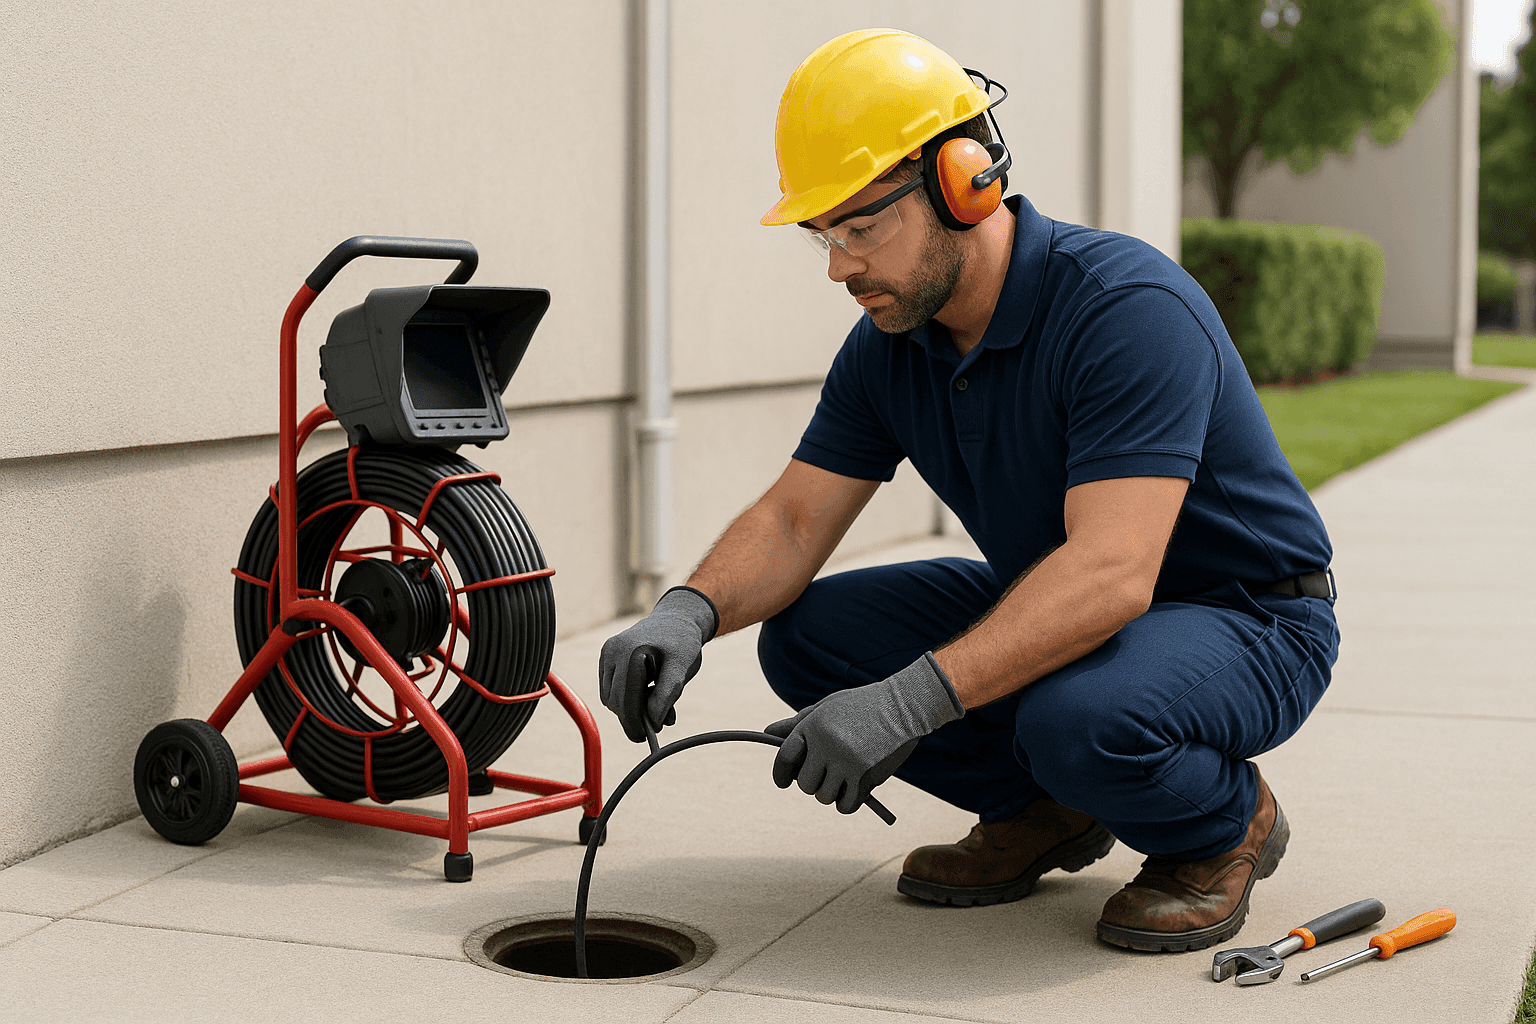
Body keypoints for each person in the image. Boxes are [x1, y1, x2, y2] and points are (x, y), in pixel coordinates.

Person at [598, 28, 1338, 952]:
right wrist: (687, 609)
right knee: (813, 638)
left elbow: (1112, 573)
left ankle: (1222, 825)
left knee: (1083, 717)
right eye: (822, 234)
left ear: (964, 179)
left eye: (861, 226)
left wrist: (909, 703)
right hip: (1069, 597)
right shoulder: (889, 349)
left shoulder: (1124, 311)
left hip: (1245, 618)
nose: (838, 265)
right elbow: (793, 520)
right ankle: (1045, 811)